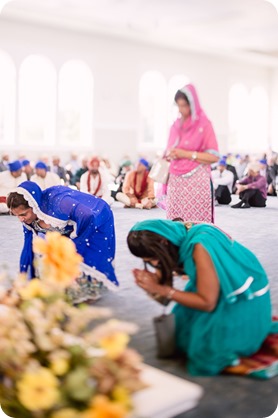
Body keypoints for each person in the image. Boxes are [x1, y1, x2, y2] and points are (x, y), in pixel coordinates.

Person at [127, 219, 275, 376]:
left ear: (163, 242)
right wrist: (155, 287)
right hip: (220, 289)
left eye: (152, 259)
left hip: (243, 300)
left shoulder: (200, 246)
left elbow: (207, 303)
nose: (154, 264)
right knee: (181, 335)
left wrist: (160, 289)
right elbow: (165, 297)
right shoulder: (180, 233)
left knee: (205, 355)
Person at [7, 181, 118, 302]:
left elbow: (88, 216)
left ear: (34, 205)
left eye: (23, 214)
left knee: (84, 254)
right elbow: (28, 247)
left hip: (97, 217)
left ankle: (90, 288)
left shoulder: (59, 202)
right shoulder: (27, 220)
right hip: (72, 226)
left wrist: (75, 242)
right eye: (16, 215)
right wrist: (22, 279)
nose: (20, 219)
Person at [164, 84, 219, 222]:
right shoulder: (176, 125)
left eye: (184, 105)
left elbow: (214, 156)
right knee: (175, 221)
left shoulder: (204, 125)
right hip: (176, 180)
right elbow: (169, 149)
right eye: (179, 106)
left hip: (196, 181)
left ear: (193, 104)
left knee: (195, 222)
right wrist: (170, 153)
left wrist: (186, 154)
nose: (181, 110)